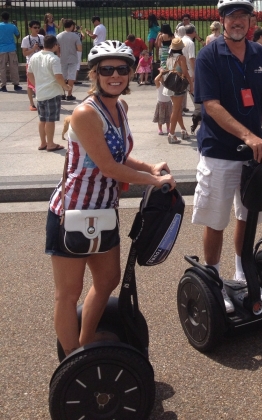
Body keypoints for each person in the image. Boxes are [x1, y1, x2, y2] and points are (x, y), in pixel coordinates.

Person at [46, 40, 175, 358]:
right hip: (73, 211)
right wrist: (154, 180)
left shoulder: (120, 107)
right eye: (107, 69)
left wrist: (150, 168)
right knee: (68, 293)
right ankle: (72, 361)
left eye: (122, 69)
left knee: (107, 280)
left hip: (104, 210)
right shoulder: (85, 113)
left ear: (131, 72)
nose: (115, 75)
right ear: (95, 73)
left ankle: (85, 346)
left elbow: (122, 157)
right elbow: (108, 166)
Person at [193, 0, 262, 313]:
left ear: (252, 20)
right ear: (222, 20)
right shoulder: (209, 55)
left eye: (243, 15)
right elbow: (210, 105)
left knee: (247, 214)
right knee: (217, 218)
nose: (237, 21)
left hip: (254, 152)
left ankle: (242, 272)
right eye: (230, 16)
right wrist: (247, 135)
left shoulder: (258, 53)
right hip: (220, 151)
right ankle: (213, 276)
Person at [27, 35, 72, 151]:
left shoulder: (34, 57)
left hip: (40, 93)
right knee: (50, 119)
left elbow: (29, 74)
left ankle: (43, 143)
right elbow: (58, 76)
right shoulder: (54, 58)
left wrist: (36, 85)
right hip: (52, 92)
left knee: (42, 119)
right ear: (55, 45)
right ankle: (51, 143)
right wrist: (65, 86)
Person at [155, 37, 191, 142]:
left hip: (170, 85)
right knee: (176, 110)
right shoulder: (181, 58)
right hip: (178, 86)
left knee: (177, 109)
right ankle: (171, 134)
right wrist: (191, 85)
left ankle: (183, 130)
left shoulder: (169, 57)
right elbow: (185, 72)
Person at [21, 20, 44, 110]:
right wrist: (33, 48)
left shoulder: (42, 37)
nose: (37, 29)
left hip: (41, 63)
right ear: (30, 28)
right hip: (31, 63)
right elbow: (25, 53)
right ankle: (32, 103)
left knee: (41, 82)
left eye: (38, 27)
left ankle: (41, 101)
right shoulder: (26, 39)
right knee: (30, 83)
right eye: (35, 27)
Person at [57, 19, 82, 100]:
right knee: (71, 76)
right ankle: (69, 94)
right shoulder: (75, 36)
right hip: (72, 58)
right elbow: (79, 49)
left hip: (62, 57)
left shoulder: (59, 36)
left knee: (63, 76)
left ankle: (62, 93)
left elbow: (56, 47)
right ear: (72, 26)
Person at [0, 11, 22, 92]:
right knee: (14, 67)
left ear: (2, 17)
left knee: (2, 68)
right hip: (11, 48)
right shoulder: (12, 26)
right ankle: (16, 84)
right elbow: (18, 35)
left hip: (1, 49)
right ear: (8, 18)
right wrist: (15, 25)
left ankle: (3, 85)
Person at [153, 66, 172, 135]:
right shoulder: (159, 84)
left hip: (168, 102)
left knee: (168, 117)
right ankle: (160, 129)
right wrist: (161, 73)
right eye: (161, 77)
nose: (162, 78)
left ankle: (168, 128)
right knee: (160, 117)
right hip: (161, 103)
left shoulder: (168, 84)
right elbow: (155, 80)